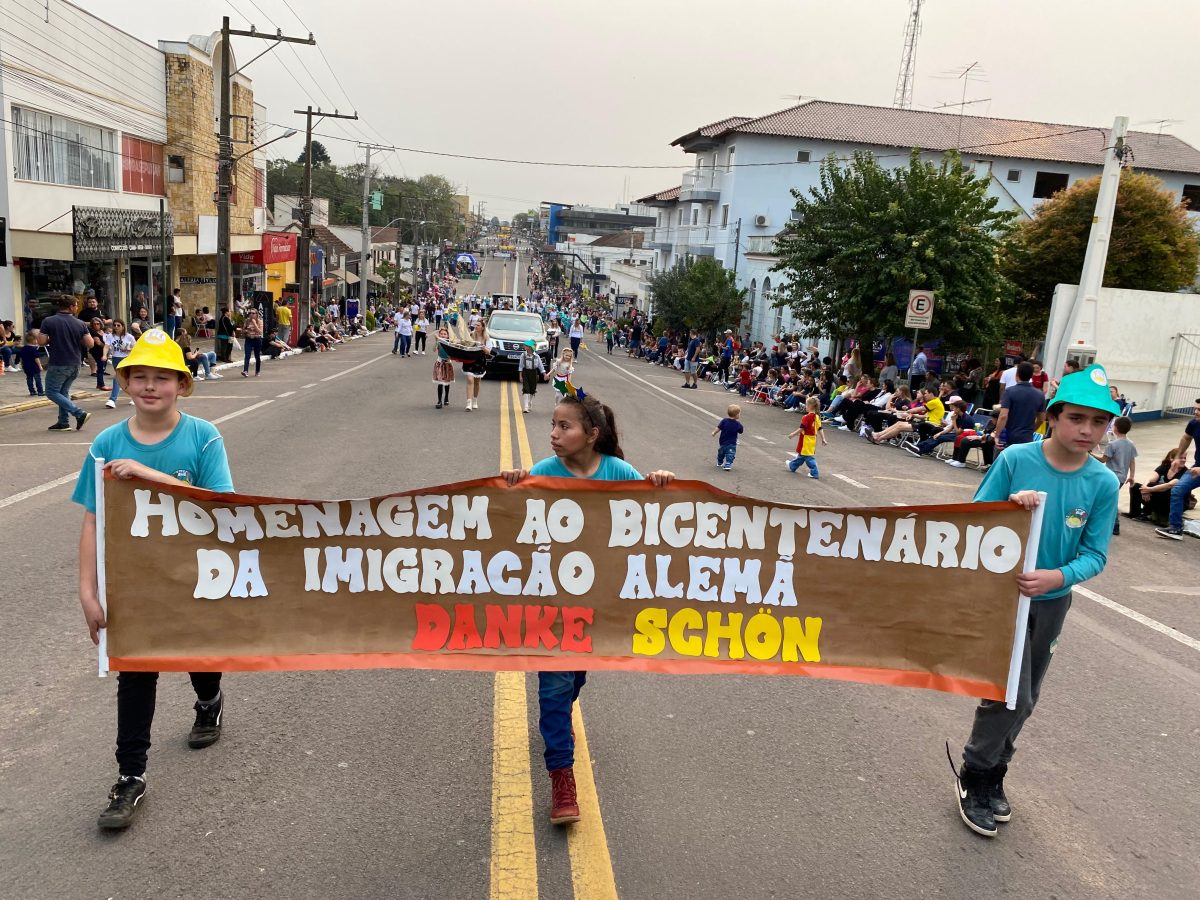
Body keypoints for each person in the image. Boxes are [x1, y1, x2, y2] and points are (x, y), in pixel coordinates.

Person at [72, 330, 235, 830]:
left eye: (161, 377)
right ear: (124, 382)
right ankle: (130, 776)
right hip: (136, 583)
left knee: (195, 653)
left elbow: (224, 507)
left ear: (181, 386)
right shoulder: (106, 442)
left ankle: (209, 701)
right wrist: (87, 591)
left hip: (193, 574)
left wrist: (152, 475)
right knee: (137, 672)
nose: (149, 386)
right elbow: (94, 520)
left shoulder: (203, 436)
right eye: (139, 376)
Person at [953, 363, 1120, 839]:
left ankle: (995, 773)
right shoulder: (1016, 461)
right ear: (1053, 416)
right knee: (1009, 693)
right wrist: (1012, 508)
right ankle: (974, 774)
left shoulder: (1103, 484)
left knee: (1028, 699)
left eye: (1099, 422)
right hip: (1001, 598)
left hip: (1051, 602)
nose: (1087, 430)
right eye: (1077, 419)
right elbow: (974, 519)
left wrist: (1058, 577)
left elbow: (1095, 555)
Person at [500, 394, 674, 825]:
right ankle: (562, 778)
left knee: (574, 678)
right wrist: (512, 485)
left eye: (565, 427)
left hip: (599, 601)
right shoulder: (542, 473)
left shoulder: (618, 472)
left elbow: (654, 516)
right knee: (555, 690)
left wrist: (662, 484)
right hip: (552, 604)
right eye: (553, 425)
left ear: (592, 435)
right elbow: (508, 521)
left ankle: (563, 714)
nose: (554, 435)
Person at [38, 296, 94, 432]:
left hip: (59, 362)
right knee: (63, 392)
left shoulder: (49, 321)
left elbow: (41, 341)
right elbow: (90, 343)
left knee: (51, 392)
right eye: (76, 306)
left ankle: (79, 413)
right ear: (70, 307)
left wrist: (52, 337)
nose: (77, 308)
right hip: (75, 362)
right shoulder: (80, 323)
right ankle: (63, 422)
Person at [1156, 397, 1200, 540]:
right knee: (1178, 489)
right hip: (1197, 468)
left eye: (1199, 410)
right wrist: (1177, 457)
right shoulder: (1194, 423)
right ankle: (1175, 528)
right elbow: (1186, 438)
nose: (1196, 412)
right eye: (1195, 408)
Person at [1098, 417, 1136, 535]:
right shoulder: (1130, 443)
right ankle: (1110, 524)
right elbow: (1132, 461)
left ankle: (1114, 525)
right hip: (1122, 477)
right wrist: (1132, 476)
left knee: (1107, 500)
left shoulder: (1112, 444)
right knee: (1109, 499)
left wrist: (1089, 454)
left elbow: (1103, 459)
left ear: (1115, 428)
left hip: (1110, 476)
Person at [1128, 450, 1189, 525]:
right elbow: (1151, 478)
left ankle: (1151, 513)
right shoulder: (1165, 466)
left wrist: (1148, 489)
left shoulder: (1185, 472)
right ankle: (1136, 513)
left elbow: (1169, 485)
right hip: (1162, 497)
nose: (1183, 460)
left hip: (1174, 501)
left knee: (1163, 490)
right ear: (1171, 459)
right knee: (1135, 486)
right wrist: (1144, 488)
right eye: (1180, 458)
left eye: (1185, 458)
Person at [996, 362, 1045, 450]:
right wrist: (1030, 430)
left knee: (1002, 461)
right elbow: (1041, 419)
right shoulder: (1040, 395)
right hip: (1027, 437)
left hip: (1009, 437)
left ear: (1017, 374)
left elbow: (1003, 416)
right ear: (1031, 376)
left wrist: (997, 435)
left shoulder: (1009, 391)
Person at [787, 396, 827, 478]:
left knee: (808, 457)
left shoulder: (806, 417)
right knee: (803, 455)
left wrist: (793, 434)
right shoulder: (817, 417)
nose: (805, 406)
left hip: (806, 440)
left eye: (806, 405)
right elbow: (820, 428)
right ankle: (792, 466)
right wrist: (823, 439)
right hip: (813, 440)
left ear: (810, 406)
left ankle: (814, 473)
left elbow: (802, 428)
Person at [104, 321, 136, 408]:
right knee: (125, 379)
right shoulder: (110, 336)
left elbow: (136, 348)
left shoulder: (129, 337)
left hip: (126, 359)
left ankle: (112, 399)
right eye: (114, 325)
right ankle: (134, 396)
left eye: (118, 325)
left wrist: (128, 349)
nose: (116, 327)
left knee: (118, 377)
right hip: (115, 358)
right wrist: (104, 355)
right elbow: (106, 346)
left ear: (123, 326)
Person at [462, 320, 492, 411]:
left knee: (477, 381)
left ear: (482, 327)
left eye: (478, 325)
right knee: (470, 380)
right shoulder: (471, 334)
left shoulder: (486, 338)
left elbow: (489, 351)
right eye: (475, 325)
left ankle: (475, 400)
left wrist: (482, 347)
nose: (476, 326)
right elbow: (465, 345)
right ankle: (468, 403)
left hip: (480, 360)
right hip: (470, 359)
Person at [712, 404, 744, 471]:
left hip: (723, 441)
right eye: (739, 413)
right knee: (730, 453)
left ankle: (722, 462)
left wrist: (714, 432)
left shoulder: (724, 421)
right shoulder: (738, 424)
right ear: (737, 415)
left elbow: (719, 428)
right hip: (731, 442)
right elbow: (741, 431)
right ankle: (726, 463)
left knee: (721, 452)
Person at [518, 339, 546, 414]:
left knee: (532, 389)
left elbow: (541, 366)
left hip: (534, 373)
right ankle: (526, 406)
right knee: (526, 389)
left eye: (526, 345)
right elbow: (520, 366)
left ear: (530, 347)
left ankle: (530, 402)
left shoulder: (537, 356)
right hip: (525, 372)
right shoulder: (523, 355)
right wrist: (520, 376)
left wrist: (544, 374)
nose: (524, 347)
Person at [432, 326, 456, 409]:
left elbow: (453, 354)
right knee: (440, 382)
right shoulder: (439, 342)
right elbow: (434, 349)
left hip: (448, 364)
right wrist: (436, 340)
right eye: (441, 334)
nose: (443, 335)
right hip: (439, 363)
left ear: (448, 335)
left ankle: (446, 397)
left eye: (445, 334)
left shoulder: (450, 343)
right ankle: (439, 401)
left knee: (446, 382)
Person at [18, 332, 45, 397]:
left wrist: (22, 364)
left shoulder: (24, 348)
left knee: (29, 379)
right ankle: (40, 391)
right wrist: (40, 366)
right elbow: (36, 359)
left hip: (26, 366)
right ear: (33, 341)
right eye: (36, 339)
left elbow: (21, 357)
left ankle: (32, 391)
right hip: (34, 367)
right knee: (37, 379)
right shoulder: (34, 349)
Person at [241, 309, 263, 377]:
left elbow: (260, 332)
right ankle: (245, 371)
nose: (251, 314)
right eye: (250, 313)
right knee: (247, 355)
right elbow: (243, 330)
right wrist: (247, 330)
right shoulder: (247, 321)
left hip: (257, 339)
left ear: (256, 314)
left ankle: (257, 371)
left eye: (253, 313)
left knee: (257, 356)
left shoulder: (260, 321)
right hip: (249, 339)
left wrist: (254, 324)